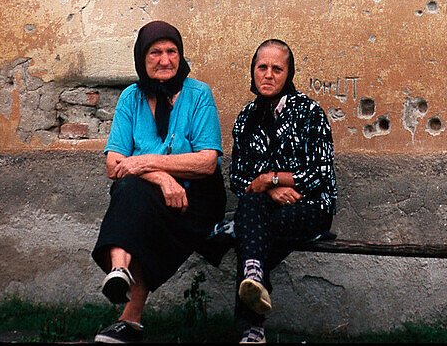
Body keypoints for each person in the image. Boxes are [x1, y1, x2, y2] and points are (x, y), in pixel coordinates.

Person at [92, 21, 226, 345]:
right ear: (142, 57)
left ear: (180, 55)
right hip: (152, 193)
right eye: (155, 52)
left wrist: (145, 162)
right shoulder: (130, 98)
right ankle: (120, 277)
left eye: (172, 52)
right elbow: (114, 163)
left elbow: (207, 161)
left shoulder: (198, 94)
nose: (165, 60)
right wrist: (162, 176)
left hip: (198, 198)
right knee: (130, 194)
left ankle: (129, 318)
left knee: (134, 202)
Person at [230, 39, 336, 345]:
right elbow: (238, 177)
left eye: (277, 69)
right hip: (264, 206)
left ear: (288, 74)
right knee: (251, 208)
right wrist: (269, 188)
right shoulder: (246, 117)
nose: (268, 74)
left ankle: (252, 327)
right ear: (253, 71)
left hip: (311, 206)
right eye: (262, 67)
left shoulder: (310, 112)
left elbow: (320, 173)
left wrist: (270, 180)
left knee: (251, 234)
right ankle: (254, 275)